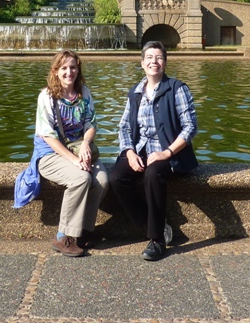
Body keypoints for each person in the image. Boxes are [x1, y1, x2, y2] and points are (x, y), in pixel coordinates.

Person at [109, 41, 199, 262]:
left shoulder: (177, 89)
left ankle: (157, 240)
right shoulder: (135, 93)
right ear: (142, 63)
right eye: (149, 57)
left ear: (165, 62)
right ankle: (155, 225)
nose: (154, 62)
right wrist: (129, 152)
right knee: (116, 177)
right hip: (140, 150)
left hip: (169, 154)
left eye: (158, 57)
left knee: (152, 173)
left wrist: (166, 152)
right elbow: (124, 127)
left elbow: (190, 127)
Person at [13, 50, 108, 257]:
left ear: (78, 69)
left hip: (78, 148)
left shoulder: (84, 93)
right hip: (50, 154)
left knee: (102, 179)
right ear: (55, 71)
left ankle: (84, 232)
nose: (69, 72)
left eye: (73, 67)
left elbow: (91, 123)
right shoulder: (47, 96)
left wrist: (86, 143)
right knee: (81, 178)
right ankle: (63, 236)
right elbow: (47, 136)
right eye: (64, 68)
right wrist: (74, 160)